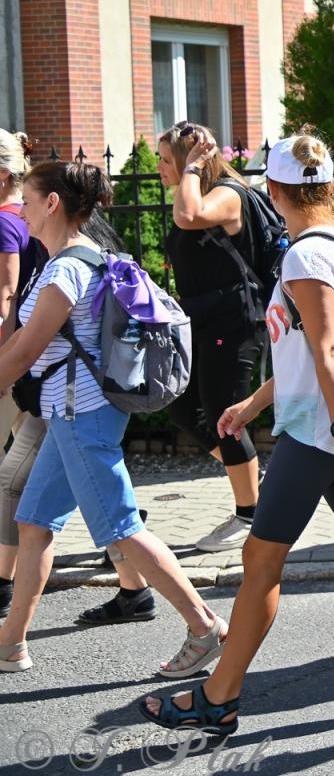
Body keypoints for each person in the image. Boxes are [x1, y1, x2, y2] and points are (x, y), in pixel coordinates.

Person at [139, 134, 334, 732]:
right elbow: (304, 349)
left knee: (260, 559)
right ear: (330, 187)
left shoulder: (306, 256)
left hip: (319, 433)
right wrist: (255, 401)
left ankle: (219, 695)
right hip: (333, 424)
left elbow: (328, 349)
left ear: (275, 189)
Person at [0, 161, 228, 676]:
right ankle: (11, 642)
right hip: (68, 412)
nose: (24, 211)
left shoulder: (66, 269)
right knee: (34, 524)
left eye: (30, 202)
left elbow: (24, 351)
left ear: (52, 203)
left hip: (83, 415)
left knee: (120, 529)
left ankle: (204, 625)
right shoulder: (75, 258)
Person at [154, 123, 265, 554]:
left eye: (166, 160)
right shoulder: (197, 192)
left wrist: (194, 169)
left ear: (189, 161)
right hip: (205, 322)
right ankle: (252, 482)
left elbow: (189, 217)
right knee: (182, 407)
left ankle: (250, 514)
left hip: (234, 324)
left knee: (224, 414)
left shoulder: (227, 194)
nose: (161, 168)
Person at [0, 130, 45, 622]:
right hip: (29, 365)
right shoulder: (23, 220)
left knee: (12, 476)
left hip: (16, 362)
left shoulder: (4, 223)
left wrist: (6, 365)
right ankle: (129, 572)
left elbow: (6, 298)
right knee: (25, 476)